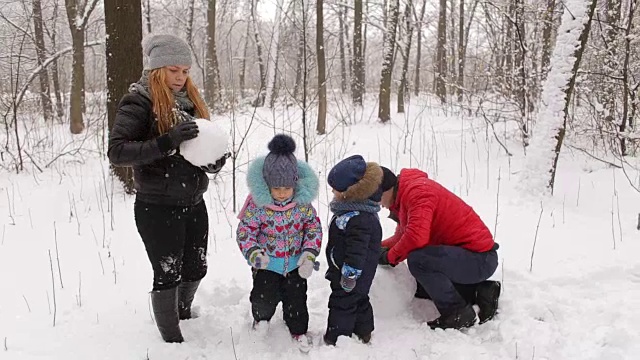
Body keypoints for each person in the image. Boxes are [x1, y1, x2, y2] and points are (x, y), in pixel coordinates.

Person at [108, 33, 227, 343]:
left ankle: (183, 313)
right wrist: (167, 141)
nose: (180, 77)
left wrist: (212, 162)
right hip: (156, 206)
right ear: (158, 69)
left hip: (193, 200)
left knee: (196, 267)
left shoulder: (192, 101)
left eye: (185, 70)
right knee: (167, 273)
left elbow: (197, 151)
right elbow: (117, 151)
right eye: (174, 70)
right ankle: (172, 341)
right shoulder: (139, 100)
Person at [377, 167, 501, 330]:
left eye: (377, 197)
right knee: (420, 284)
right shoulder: (405, 195)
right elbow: (401, 237)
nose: (379, 204)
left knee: (419, 261)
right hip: (468, 258)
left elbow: (415, 238)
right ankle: (480, 292)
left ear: (387, 189)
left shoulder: (418, 193)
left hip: (479, 259)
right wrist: (374, 249)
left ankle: (457, 313)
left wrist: (388, 257)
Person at [236, 134, 322, 348]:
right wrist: (254, 253)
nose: (282, 194)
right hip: (267, 265)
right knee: (263, 298)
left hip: (295, 265)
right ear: (267, 185)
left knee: (297, 301)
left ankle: (298, 330)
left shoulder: (303, 205)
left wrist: (309, 254)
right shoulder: (258, 206)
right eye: (277, 188)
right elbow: (245, 231)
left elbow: (313, 228)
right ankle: (261, 320)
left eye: (287, 188)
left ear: (295, 184)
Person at [323, 155, 384, 345]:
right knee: (359, 299)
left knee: (343, 302)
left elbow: (357, 252)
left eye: (335, 188)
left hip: (351, 274)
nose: (332, 190)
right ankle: (364, 331)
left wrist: (349, 276)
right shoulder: (355, 210)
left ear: (350, 192)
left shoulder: (359, 218)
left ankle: (337, 338)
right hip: (353, 273)